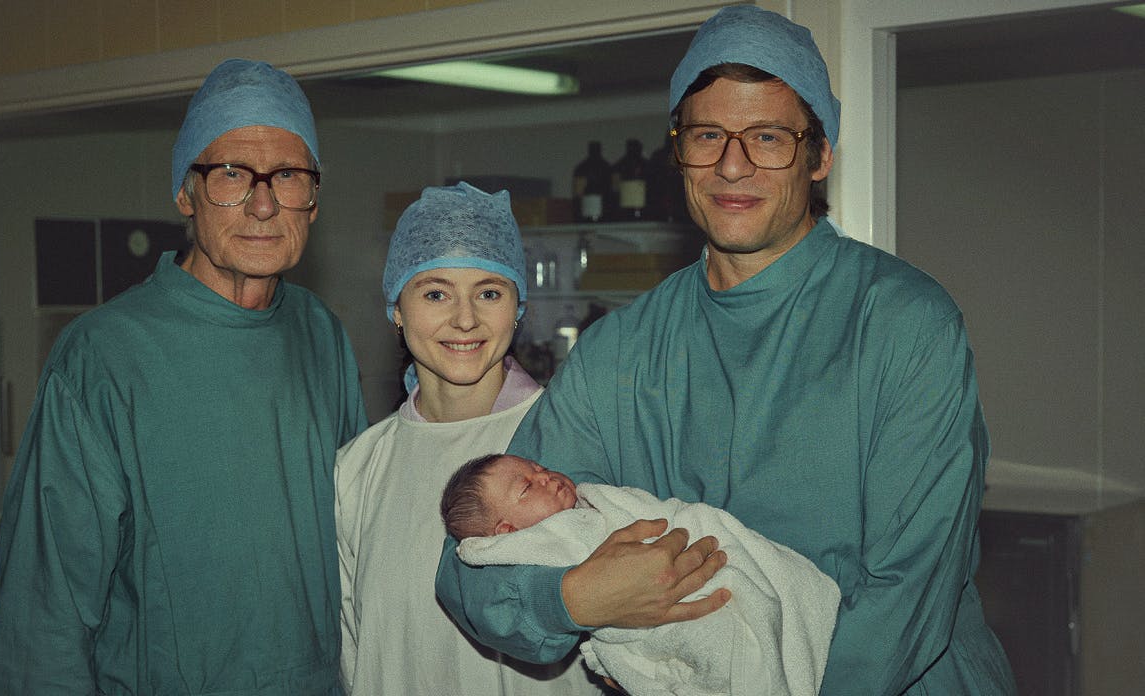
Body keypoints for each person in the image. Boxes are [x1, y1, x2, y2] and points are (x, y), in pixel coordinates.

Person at [436, 5, 1017, 695]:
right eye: (708, 135)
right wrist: (573, 600)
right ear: (677, 151)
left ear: (820, 154)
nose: (732, 165)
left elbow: (909, 590)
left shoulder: (902, 325)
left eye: (768, 136)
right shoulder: (621, 351)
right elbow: (470, 564)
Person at [0, 58, 368, 695]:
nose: (263, 204)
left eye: (288, 175)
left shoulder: (320, 334)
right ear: (185, 194)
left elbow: (360, 541)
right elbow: (45, 608)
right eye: (232, 174)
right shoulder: (103, 356)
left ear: (313, 201)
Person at [334, 182, 600, 695]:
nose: (464, 319)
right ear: (396, 308)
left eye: (489, 293)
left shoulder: (571, 439)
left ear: (518, 308)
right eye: (435, 293)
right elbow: (354, 649)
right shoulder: (358, 470)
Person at [442, 452, 840, 696]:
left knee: (749, 615)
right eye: (527, 487)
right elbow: (476, 560)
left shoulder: (596, 503)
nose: (545, 476)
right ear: (507, 534)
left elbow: (661, 514)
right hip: (648, 629)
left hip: (700, 567)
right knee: (723, 653)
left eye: (540, 467)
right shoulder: (537, 545)